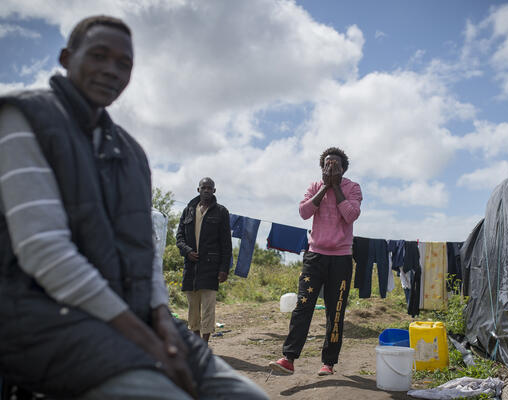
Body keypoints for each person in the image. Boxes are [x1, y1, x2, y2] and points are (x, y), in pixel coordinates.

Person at [0, 15, 267, 400]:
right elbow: (46, 251)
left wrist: (160, 319)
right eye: (98, 56)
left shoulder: (131, 153)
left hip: (136, 317)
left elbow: (144, 253)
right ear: (65, 57)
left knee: (246, 395)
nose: (111, 69)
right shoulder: (22, 119)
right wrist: (146, 339)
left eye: (123, 63)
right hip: (43, 321)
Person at [269, 147, 362, 376]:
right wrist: (325, 187)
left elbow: (351, 215)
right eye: (327, 164)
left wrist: (337, 187)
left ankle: (328, 363)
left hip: (340, 259)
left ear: (343, 169)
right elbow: (303, 212)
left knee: (335, 311)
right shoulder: (314, 187)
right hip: (315, 256)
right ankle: (289, 358)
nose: (331, 167)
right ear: (321, 168)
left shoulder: (353, 188)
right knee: (303, 306)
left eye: (335, 165)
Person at [176, 177, 232, 343]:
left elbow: (226, 244)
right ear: (198, 189)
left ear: (214, 191)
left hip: (211, 268)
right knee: (193, 309)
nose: (206, 190)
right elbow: (179, 237)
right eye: (204, 187)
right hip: (191, 268)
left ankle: (204, 344)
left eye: (210, 188)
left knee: (208, 308)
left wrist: (224, 269)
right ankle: (196, 343)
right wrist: (187, 252)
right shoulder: (188, 210)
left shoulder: (221, 212)